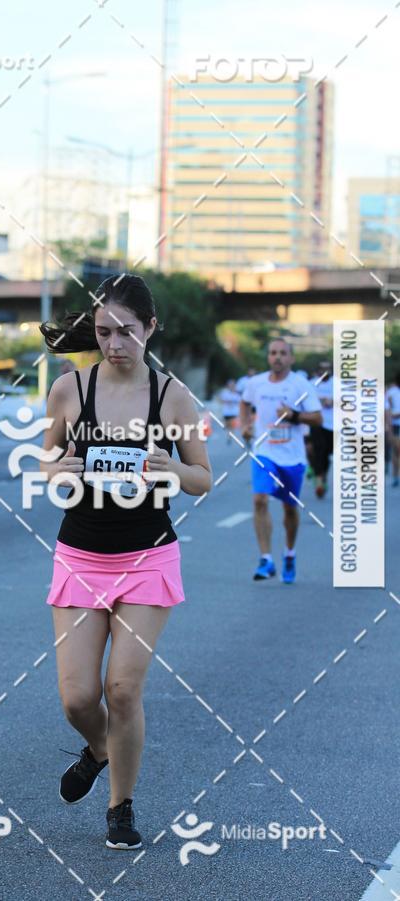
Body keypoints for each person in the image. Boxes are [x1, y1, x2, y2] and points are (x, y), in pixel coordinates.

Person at [39, 274, 211, 850]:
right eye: (105, 331)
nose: (114, 343)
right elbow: (49, 461)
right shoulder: (69, 390)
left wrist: (174, 472)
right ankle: (101, 749)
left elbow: (202, 479)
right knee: (77, 697)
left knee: (123, 689)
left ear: (150, 329)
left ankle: (120, 806)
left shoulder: (172, 397)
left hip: (147, 556)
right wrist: (56, 471)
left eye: (128, 332)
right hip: (81, 554)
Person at [239, 338, 322, 583]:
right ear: (268, 357)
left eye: (283, 353)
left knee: (289, 508)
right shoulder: (256, 383)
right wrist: (245, 425)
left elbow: (317, 418)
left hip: (292, 457)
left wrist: (294, 415)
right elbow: (244, 402)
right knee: (259, 500)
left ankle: (289, 552)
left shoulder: (300, 384)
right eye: (273, 352)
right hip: (264, 451)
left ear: (291, 358)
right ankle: (266, 558)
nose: (278, 357)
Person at [310, 361, 334, 498]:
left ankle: (323, 475)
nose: (325, 371)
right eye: (322, 369)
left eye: (328, 369)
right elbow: (306, 399)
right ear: (318, 370)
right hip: (316, 422)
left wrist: (333, 401)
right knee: (318, 450)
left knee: (327, 453)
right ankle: (319, 481)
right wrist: (321, 400)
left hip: (333, 425)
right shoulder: (312, 383)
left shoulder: (336, 384)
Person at [386, 372, 400, 487]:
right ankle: (396, 476)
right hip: (396, 425)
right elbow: (388, 411)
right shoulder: (391, 393)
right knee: (397, 451)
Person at [219, 378, 240, 443]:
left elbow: (240, 401)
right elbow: (220, 400)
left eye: (233, 385)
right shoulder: (225, 392)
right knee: (227, 425)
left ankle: (230, 436)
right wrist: (227, 401)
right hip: (226, 412)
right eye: (230, 385)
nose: (231, 386)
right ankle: (229, 434)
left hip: (234, 412)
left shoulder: (237, 393)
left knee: (232, 425)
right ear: (228, 385)